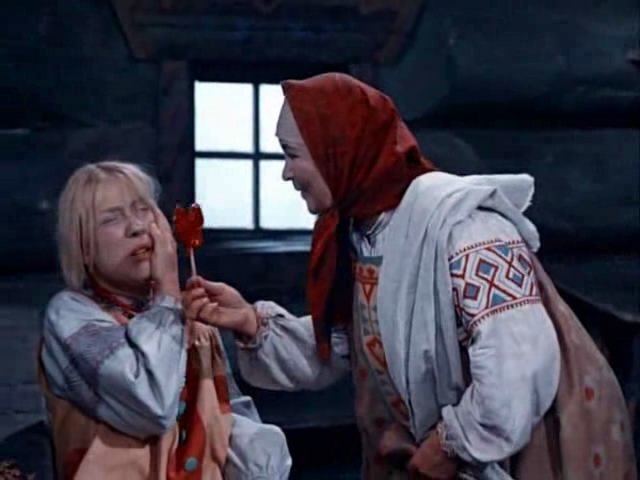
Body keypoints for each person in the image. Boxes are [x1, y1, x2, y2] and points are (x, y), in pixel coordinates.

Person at [184, 73, 636, 479]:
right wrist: (251, 322)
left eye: (293, 155)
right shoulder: (361, 233)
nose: (286, 173)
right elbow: (351, 346)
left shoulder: (465, 230)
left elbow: (519, 364)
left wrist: (453, 445)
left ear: (337, 149)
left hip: (513, 455)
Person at [38, 161, 291, 479]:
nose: (136, 227)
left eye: (143, 209)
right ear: (83, 247)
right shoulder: (71, 315)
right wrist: (168, 293)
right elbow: (152, 405)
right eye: (112, 218)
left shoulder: (190, 320)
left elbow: (225, 415)